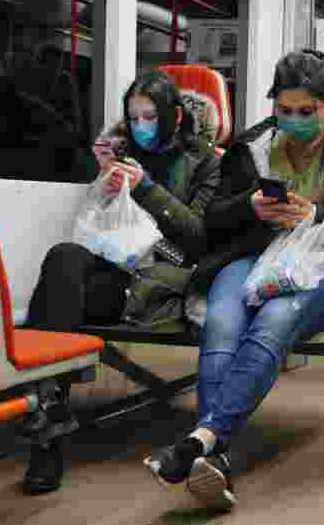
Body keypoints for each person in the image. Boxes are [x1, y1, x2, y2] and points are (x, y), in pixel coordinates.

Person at [144, 50, 324, 511]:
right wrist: (249, 207)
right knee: (222, 321)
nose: (295, 120)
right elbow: (214, 221)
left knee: (276, 316)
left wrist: (320, 214)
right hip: (256, 256)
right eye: (285, 111)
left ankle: (199, 441)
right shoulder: (251, 149)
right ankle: (212, 453)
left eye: (307, 112)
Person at [19, 70, 221, 495]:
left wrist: (146, 189)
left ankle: (44, 418)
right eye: (134, 118)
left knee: (63, 293)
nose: (141, 126)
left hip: (164, 282)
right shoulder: (121, 156)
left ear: (176, 118)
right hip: (118, 277)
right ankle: (50, 417)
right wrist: (107, 186)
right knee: (64, 257)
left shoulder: (209, 164)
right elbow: (98, 228)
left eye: (151, 116)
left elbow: (199, 238)